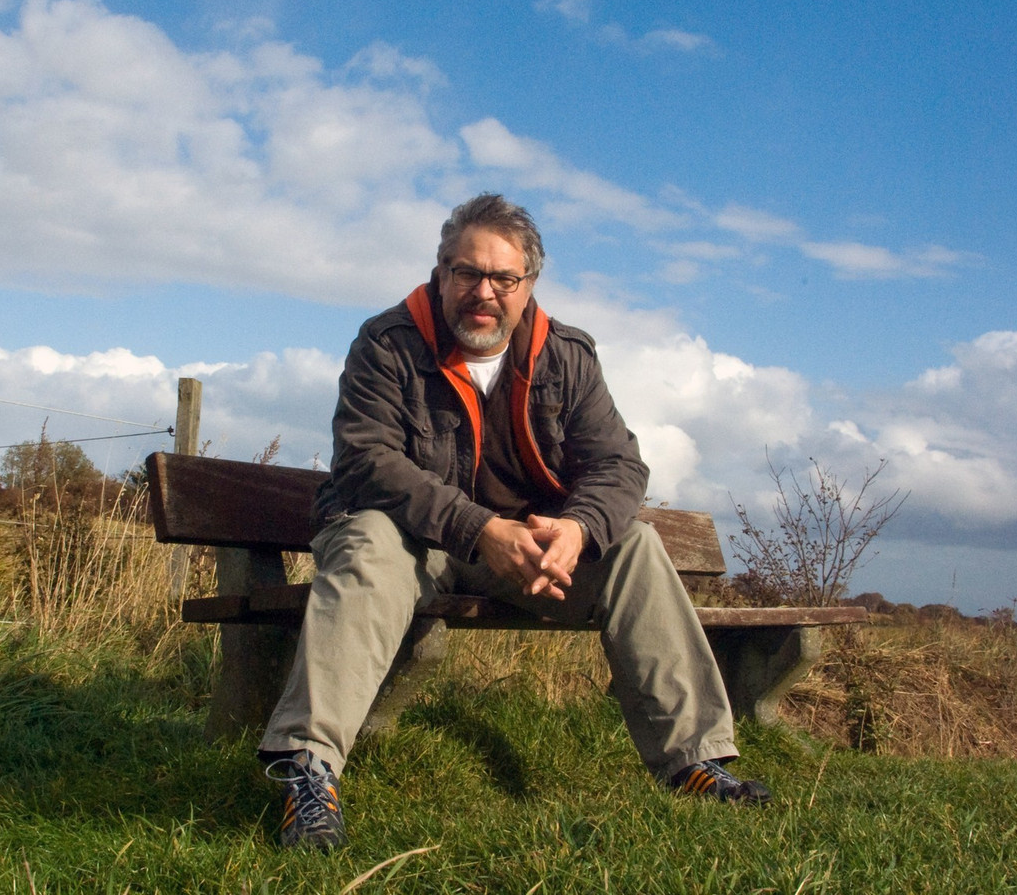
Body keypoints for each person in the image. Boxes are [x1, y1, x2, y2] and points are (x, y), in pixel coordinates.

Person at [259, 193, 770, 850]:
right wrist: (478, 529)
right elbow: (365, 463)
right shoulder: (386, 344)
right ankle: (310, 774)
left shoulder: (568, 356)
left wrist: (578, 529)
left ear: (528, 284)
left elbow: (618, 467)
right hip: (406, 536)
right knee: (366, 541)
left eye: (504, 278)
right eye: (466, 272)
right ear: (440, 271)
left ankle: (694, 764)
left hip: (521, 549)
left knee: (634, 544)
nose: (483, 292)